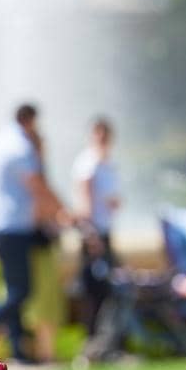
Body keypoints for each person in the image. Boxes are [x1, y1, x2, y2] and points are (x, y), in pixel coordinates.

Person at [0, 103, 69, 363]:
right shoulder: (20, 147)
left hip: (2, 225)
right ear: (29, 120)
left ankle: (18, 349)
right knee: (20, 290)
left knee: (15, 289)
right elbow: (38, 186)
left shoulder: (1, 141)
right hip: (13, 227)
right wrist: (65, 211)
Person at [21, 126, 68, 363]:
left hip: (38, 242)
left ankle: (44, 351)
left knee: (39, 302)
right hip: (40, 244)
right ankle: (46, 353)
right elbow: (43, 206)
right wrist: (63, 214)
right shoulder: (32, 173)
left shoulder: (31, 171)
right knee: (44, 302)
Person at [72, 116, 121, 333]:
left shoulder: (107, 163)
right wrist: (91, 234)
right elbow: (85, 202)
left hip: (103, 230)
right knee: (95, 289)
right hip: (94, 234)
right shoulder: (88, 163)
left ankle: (103, 337)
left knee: (106, 287)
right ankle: (93, 338)